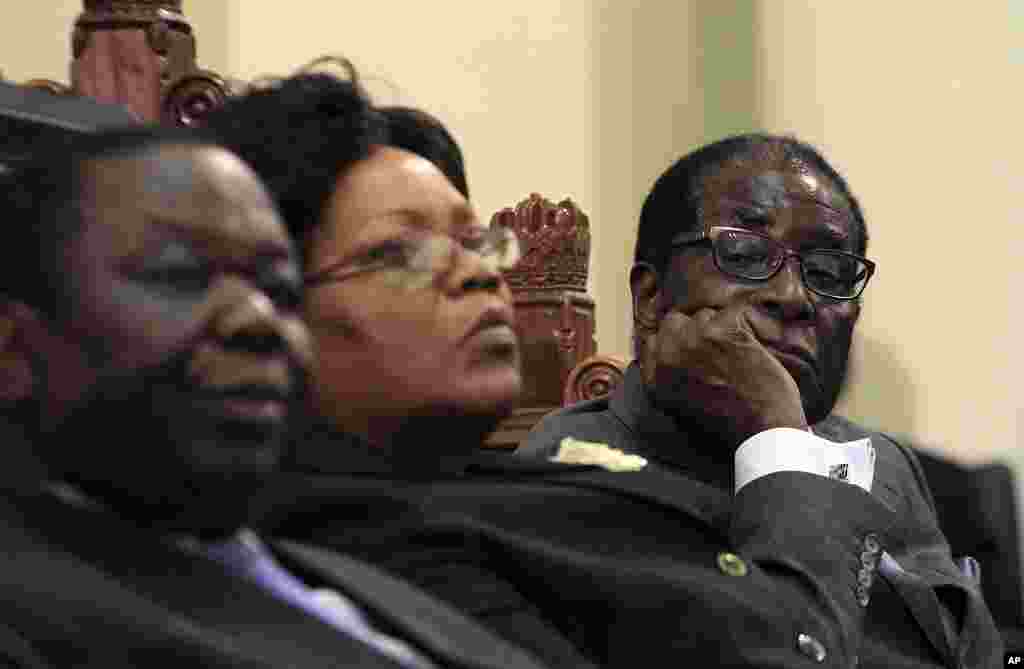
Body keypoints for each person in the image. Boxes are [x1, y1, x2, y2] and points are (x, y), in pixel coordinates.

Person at [209, 71, 914, 668]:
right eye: (402, 252)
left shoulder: (534, 489)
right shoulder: (370, 552)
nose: (480, 275)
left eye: (474, 240)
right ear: (272, 310)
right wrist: (777, 434)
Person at [0, 125, 549, 669]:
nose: (259, 319)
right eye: (183, 274)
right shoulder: (37, 619)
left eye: (278, 288)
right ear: (12, 345)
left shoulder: (343, 581)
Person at [520, 134, 1002, 667]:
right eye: (745, 254)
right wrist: (778, 435)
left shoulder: (883, 465)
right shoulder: (571, 471)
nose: (793, 296)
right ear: (651, 298)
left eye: (828, 272)